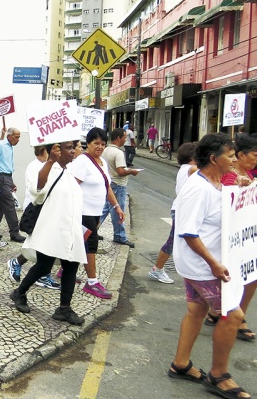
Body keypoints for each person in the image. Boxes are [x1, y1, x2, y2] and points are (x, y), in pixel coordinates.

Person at [168, 133, 251, 399]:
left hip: (203, 264)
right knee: (233, 316)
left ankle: (180, 364)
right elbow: (188, 232)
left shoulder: (215, 182)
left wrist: (238, 188)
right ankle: (219, 375)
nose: (233, 159)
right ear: (214, 159)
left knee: (196, 311)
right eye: (229, 155)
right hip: (203, 266)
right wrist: (214, 264)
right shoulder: (197, 187)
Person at [11, 141, 86, 325]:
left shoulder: (68, 171)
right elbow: (36, 190)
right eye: (69, 147)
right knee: (44, 266)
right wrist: (51, 161)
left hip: (69, 231)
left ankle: (64, 309)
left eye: (73, 147)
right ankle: (19, 293)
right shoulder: (49, 169)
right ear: (56, 150)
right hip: (52, 230)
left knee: (71, 266)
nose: (73, 151)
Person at [205, 137, 257, 341]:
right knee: (239, 278)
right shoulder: (229, 178)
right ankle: (235, 316)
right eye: (254, 155)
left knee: (250, 277)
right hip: (231, 240)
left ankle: (220, 313)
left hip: (247, 238)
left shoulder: (251, 176)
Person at [70, 128, 124, 299]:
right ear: (88, 143)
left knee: (79, 244)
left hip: (96, 211)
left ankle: (65, 269)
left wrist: (116, 206)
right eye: (96, 143)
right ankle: (92, 282)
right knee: (90, 245)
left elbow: (106, 186)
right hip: (83, 211)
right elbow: (72, 186)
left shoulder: (102, 162)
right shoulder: (82, 161)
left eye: (102, 144)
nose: (100, 147)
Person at [6, 146, 60, 289]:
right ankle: (19, 264)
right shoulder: (36, 166)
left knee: (44, 244)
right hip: (36, 210)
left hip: (48, 210)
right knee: (38, 245)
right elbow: (38, 189)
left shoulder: (53, 166)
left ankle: (42, 274)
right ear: (46, 151)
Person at [149, 142, 198, 284]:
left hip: (182, 209)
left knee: (183, 241)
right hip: (182, 210)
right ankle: (157, 269)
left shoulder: (185, 168)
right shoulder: (191, 169)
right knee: (173, 241)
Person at [100, 128, 139, 247]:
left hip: (109, 183)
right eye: (124, 137)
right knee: (118, 211)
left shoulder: (105, 150)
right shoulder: (118, 153)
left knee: (104, 209)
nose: (125, 139)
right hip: (118, 185)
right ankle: (119, 236)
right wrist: (131, 171)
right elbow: (121, 171)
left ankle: (91, 229)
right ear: (118, 138)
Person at [0, 127, 25, 243]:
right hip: (0, 178)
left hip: (6, 177)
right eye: (16, 137)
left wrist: (11, 181)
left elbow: (7, 165)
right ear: (9, 136)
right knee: (9, 205)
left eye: (19, 137)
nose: (18, 140)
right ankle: (14, 232)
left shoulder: (9, 147)